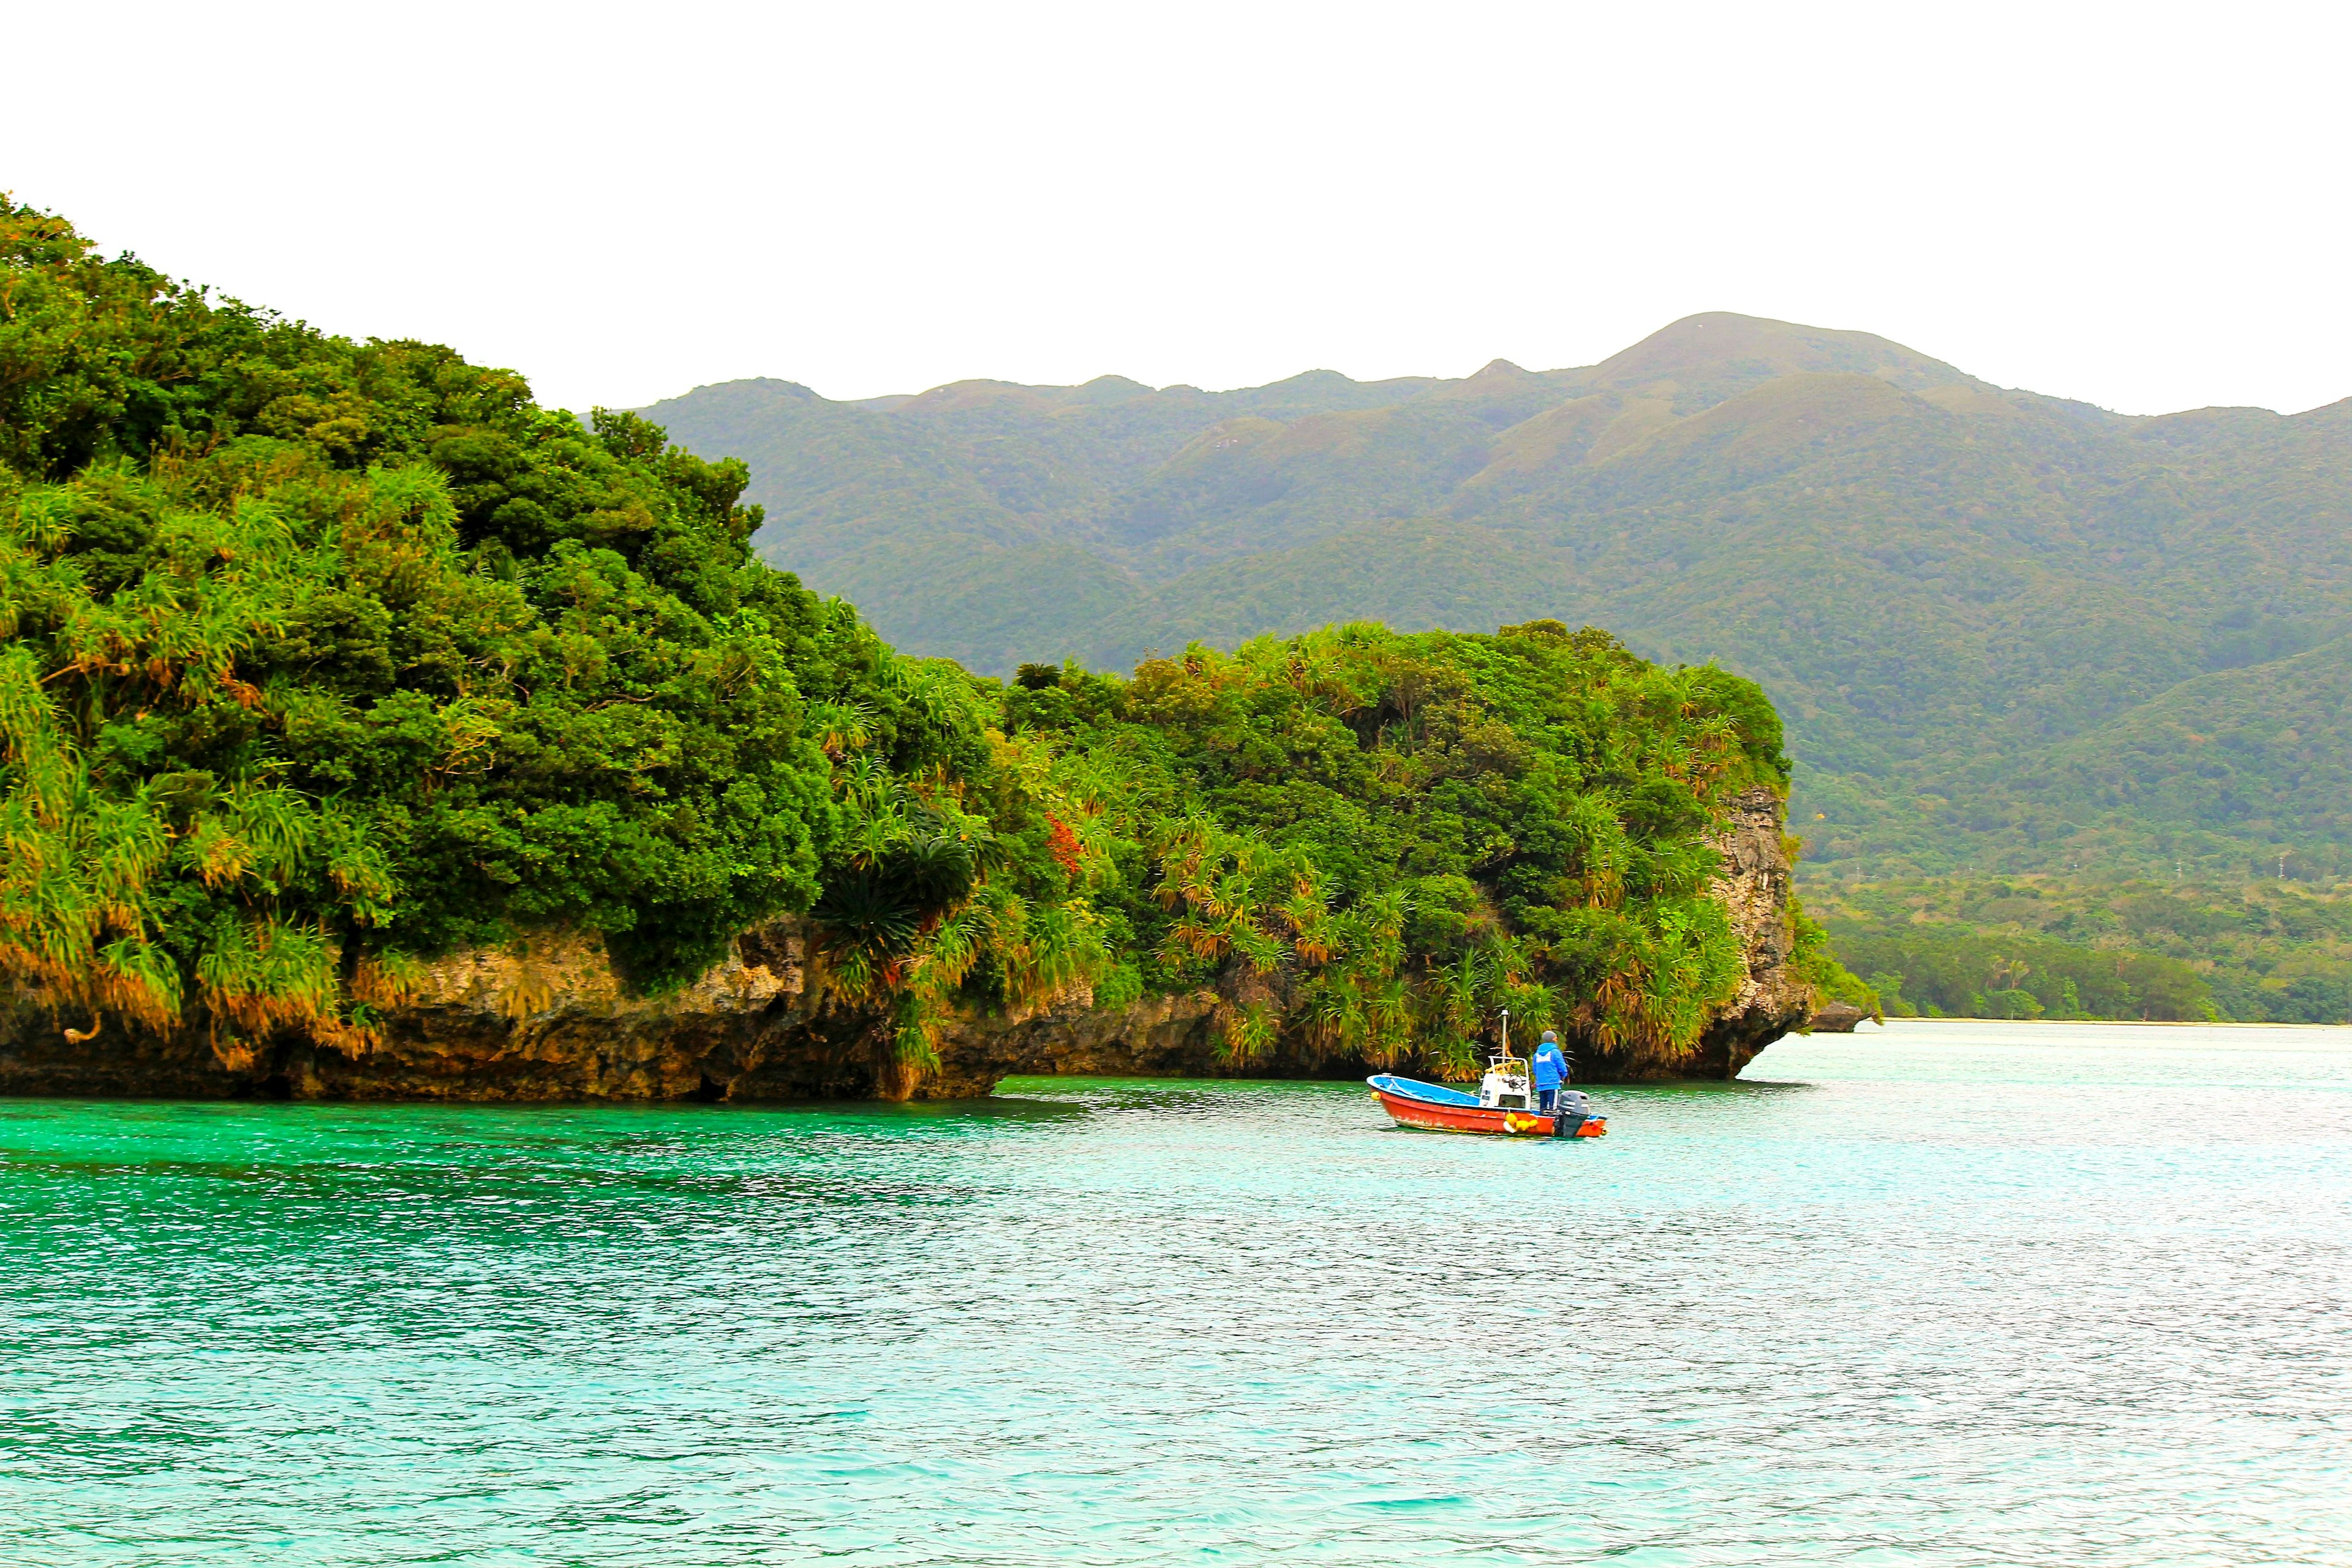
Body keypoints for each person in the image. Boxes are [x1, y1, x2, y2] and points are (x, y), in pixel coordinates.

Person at [1532, 1029, 1570, 1112]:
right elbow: (1562, 1067)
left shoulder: (1537, 1054)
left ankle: (1543, 1119)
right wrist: (1563, 1076)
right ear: (1553, 1039)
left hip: (1541, 1085)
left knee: (1543, 1108)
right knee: (1554, 1109)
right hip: (1553, 1084)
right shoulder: (1555, 1052)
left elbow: (1535, 1070)